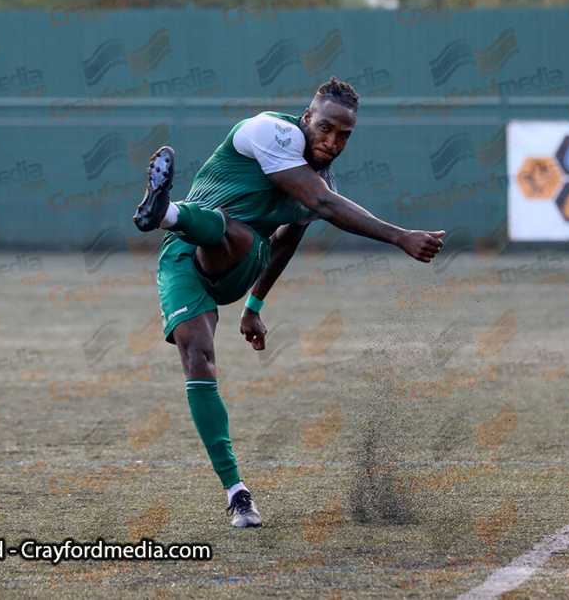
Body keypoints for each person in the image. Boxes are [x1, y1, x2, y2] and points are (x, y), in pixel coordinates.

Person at [132, 77, 444, 528]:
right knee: (199, 357)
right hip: (183, 257)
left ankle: (165, 212)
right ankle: (237, 494)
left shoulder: (319, 181)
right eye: (326, 128)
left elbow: (284, 242)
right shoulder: (270, 132)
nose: (332, 141)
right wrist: (399, 236)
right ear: (306, 118)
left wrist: (253, 305)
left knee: (236, 230)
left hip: (240, 257)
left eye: (344, 135)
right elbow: (323, 203)